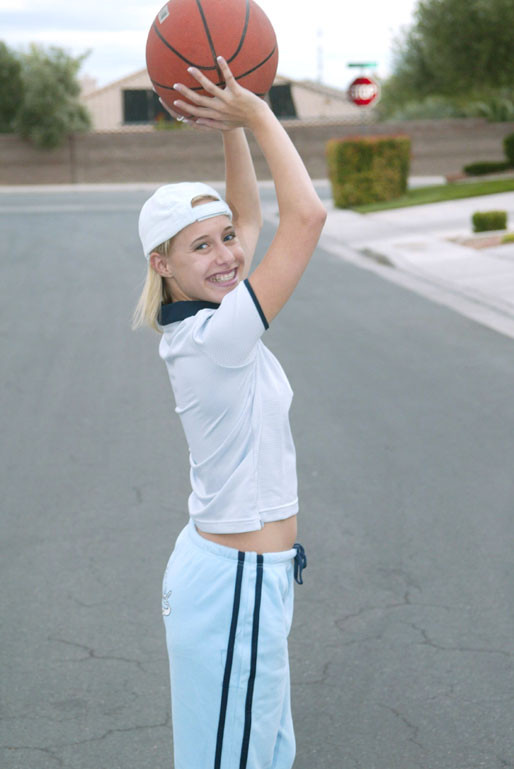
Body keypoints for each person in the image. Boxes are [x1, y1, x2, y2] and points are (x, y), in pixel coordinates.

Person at [133, 56, 326, 769]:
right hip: (234, 585)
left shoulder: (205, 318)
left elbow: (251, 217)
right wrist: (260, 111)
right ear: (162, 263)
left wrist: (228, 126)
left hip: (251, 579)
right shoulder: (215, 339)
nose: (225, 255)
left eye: (224, 240)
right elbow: (304, 217)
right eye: (199, 246)